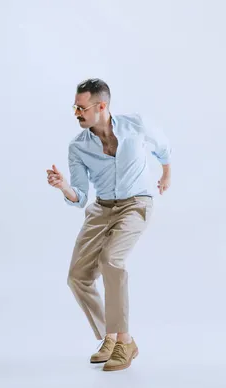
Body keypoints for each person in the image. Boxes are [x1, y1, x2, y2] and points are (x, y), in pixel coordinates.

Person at [46, 78, 172, 371]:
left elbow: (163, 146)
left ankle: (125, 342)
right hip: (101, 208)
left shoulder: (136, 125)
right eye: (75, 107)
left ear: (102, 106)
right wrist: (64, 186)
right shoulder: (78, 147)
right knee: (77, 276)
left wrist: (166, 173)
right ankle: (110, 336)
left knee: (111, 261)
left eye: (82, 108)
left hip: (135, 204)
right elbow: (79, 197)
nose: (76, 113)